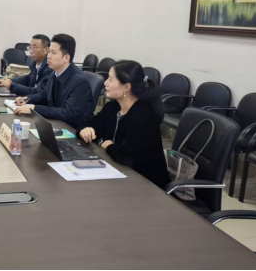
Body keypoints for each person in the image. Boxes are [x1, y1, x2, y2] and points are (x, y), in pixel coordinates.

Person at [79, 61, 170, 189]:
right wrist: (85, 130)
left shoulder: (144, 115)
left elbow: (127, 157)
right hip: (117, 172)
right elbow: (89, 124)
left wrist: (108, 145)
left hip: (146, 184)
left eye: (110, 79)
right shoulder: (113, 106)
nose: (105, 83)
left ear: (126, 87)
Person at [14, 34, 95, 130]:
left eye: (53, 53)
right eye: (49, 52)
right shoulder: (55, 73)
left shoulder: (80, 81)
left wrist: (34, 108)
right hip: (57, 124)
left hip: (73, 130)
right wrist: (27, 99)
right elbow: (44, 95)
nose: (48, 56)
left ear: (66, 58)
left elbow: (68, 114)